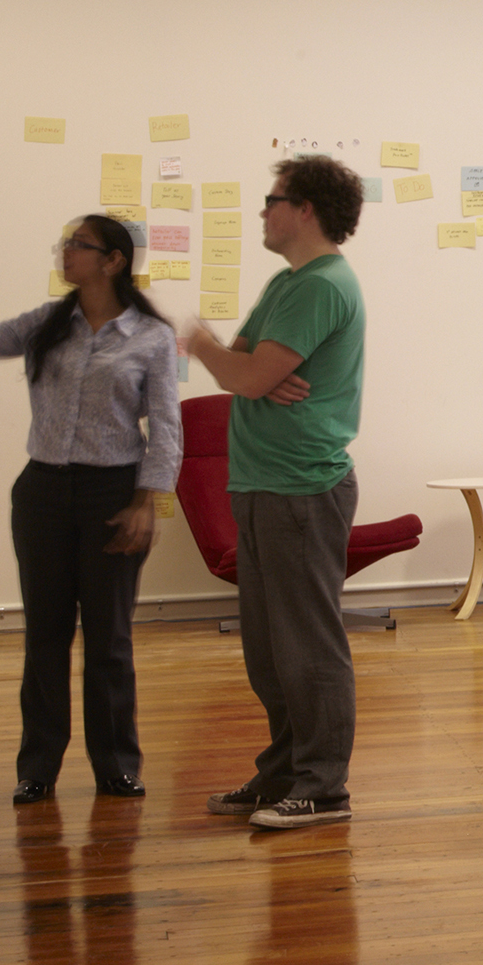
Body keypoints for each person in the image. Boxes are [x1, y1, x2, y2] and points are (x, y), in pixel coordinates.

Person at [0, 214, 181, 805]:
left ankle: (116, 764)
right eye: (65, 243)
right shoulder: (49, 323)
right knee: (46, 635)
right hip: (41, 494)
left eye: (78, 245)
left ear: (113, 261)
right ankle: (37, 766)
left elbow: (166, 428)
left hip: (112, 495)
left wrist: (149, 503)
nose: (65, 253)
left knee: (109, 638)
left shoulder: (150, 338)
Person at [184, 154, 369, 831]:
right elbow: (246, 365)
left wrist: (216, 351)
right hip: (263, 481)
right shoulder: (286, 281)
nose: (263, 210)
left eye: (272, 199)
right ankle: (283, 775)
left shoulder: (322, 286)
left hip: (301, 486)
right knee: (268, 650)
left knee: (308, 645)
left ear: (306, 210)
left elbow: (244, 369)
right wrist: (244, 365)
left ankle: (324, 786)